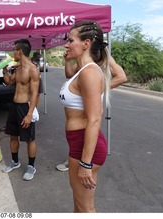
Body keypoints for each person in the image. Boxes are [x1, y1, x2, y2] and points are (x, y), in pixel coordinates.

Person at [58, 20, 111, 212]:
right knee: (79, 206)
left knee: (85, 208)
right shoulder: (82, 71)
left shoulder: (89, 72)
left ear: (86, 43)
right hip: (78, 142)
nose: (66, 44)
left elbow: (95, 118)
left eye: (70, 40)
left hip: (86, 146)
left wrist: (85, 163)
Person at [56, 52, 127, 172]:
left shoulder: (104, 56)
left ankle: (84, 161)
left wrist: (94, 89)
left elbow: (121, 77)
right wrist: (67, 60)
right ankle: (77, 159)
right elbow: (69, 74)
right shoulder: (83, 60)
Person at [2, 39, 40, 181]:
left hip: (25, 107)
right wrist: (4, 71)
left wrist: (30, 114)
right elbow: (8, 82)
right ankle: (15, 161)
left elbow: (35, 93)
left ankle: (31, 166)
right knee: (13, 136)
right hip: (14, 106)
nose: (13, 52)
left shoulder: (32, 70)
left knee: (29, 139)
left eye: (14, 50)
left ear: (20, 51)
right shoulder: (18, 69)